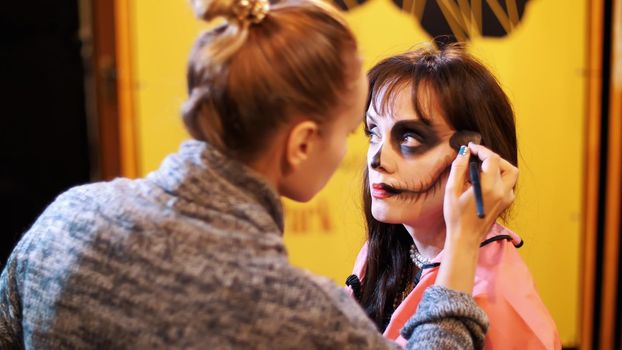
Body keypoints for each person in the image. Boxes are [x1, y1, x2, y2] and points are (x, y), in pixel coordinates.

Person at [0, 1, 517, 349]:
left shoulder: (66, 220)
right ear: (302, 143)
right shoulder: (292, 313)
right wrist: (463, 247)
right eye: (357, 132)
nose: (372, 158)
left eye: (407, 138)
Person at [347, 45, 561, 349]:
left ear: (473, 157)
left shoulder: (495, 294)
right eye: (373, 133)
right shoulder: (384, 253)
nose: (377, 159)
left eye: (409, 137)